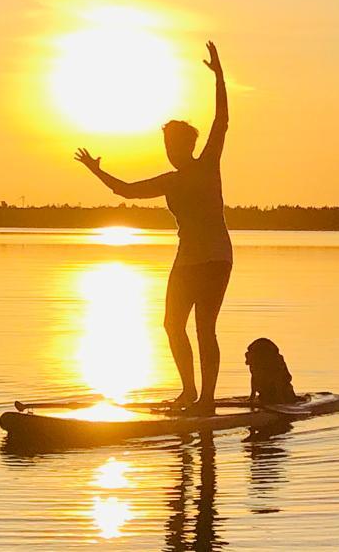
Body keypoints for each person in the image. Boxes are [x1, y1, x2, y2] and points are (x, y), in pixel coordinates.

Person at [75, 41, 232, 415]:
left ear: (186, 145)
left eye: (173, 143)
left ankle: (206, 401)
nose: (169, 150)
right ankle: (188, 393)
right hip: (187, 259)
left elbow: (221, 121)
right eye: (165, 144)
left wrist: (220, 77)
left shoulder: (207, 164)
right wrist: (96, 169)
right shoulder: (170, 181)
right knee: (171, 324)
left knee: (204, 327)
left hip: (215, 259)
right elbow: (126, 191)